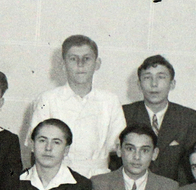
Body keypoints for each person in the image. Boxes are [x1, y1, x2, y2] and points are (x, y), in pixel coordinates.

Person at [21, 35, 125, 177]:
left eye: (86, 59)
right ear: (63, 65)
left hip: (98, 178)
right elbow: (36, 149)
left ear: (97, 64)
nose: (80, 64)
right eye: (73, 59)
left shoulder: (110, 100)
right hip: (57, 176)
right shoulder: (48, 99)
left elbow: (118, 150)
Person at [121, 55, 196, 184]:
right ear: (139, 84)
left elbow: (189, 167)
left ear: (172, 83)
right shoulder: (123, 114)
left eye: (161, 77)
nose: (154, 84)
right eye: (147, 77)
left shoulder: (189, 118)